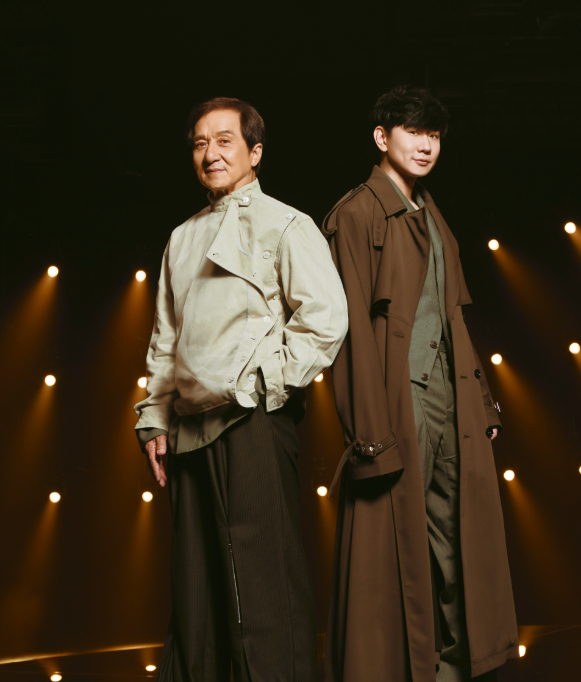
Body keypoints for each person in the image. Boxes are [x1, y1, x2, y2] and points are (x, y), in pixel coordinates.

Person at [134, 96, 348, 682]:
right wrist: (153, 418)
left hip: (252, 421)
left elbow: (325, 319)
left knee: (263, 588)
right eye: (200, 143)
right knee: (195, 600)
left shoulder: (287, 223)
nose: (211, 153)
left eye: (224, 140)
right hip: (188, 431)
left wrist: (261, 382)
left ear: (255, 152)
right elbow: (166, 338)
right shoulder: (181, 237)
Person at [321, 85, 518, 682]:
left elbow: (452, 315)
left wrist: (480, 399)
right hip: (395, 400)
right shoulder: (355, 214)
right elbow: (349, 331)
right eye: (413, 131)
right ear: (382, 138)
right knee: (392, 544)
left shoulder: (433, 214)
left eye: (433, 134)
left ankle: (456, 671)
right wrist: (368, 428)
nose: (426, 145)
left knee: (458, 535)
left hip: (448, 399)